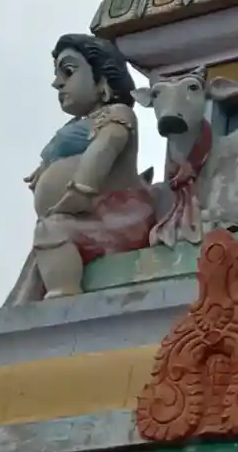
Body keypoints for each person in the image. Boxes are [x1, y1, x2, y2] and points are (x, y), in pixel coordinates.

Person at [19, 34, 154, 299]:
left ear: (102, 79)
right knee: (47, 240)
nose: (57, 83)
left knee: (51, 232)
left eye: (68, 72)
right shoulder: (79, 124)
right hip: (77, 218)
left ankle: (63, 298)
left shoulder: (118, 114)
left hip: (118, 216)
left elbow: (106, 147)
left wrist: (80, 190)